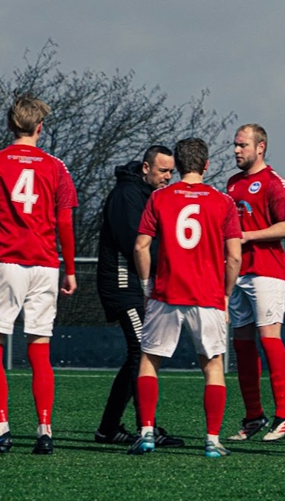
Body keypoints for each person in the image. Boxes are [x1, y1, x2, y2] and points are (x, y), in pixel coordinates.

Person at [0, 94, 77, 455]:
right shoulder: (56, 167)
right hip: (45, 265)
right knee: (39, 349)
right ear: (39, 128)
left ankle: (1, 428)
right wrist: (70, 268)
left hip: (7, 263)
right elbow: (64, 221)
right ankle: (44, 430)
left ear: (10, 125)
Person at [127, 137, 242, 458]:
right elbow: (234, 256)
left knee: (150, 361)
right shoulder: (222, 202)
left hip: (166, 292)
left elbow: (140, 246)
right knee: (213, 365)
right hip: (207, 296)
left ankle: (147, 433)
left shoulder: (160, 197)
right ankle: (211, 440)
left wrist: (148, 287)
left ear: (177, 166)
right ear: (206, 165)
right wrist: (226, 293)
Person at [94, 145, 184, 448]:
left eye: (171, 171)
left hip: (138, 285)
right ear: (146, 168)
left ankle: (108, 428)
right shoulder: (126, 196)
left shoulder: (150, 196)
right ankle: (147, 426)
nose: (168, 177)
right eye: (162, 171)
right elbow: (137, 244)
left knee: (138, 354)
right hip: (123, 284)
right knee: (142, 350)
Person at [225, 124, 285, 442]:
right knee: (241, 343)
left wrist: (249, 235)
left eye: (242, 145)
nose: (237, 150)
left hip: (267, 270)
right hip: (239, 271)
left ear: (260, 147)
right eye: (235, 145)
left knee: (269, 338)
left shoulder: (275, 183)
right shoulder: (233, 183)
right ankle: (254, 416)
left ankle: (284, 415)